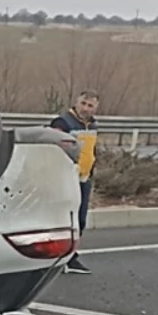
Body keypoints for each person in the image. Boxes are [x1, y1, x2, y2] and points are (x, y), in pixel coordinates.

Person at [50, 90, 99, 273]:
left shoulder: (92, 126)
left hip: (84, 178)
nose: (85, 108)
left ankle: (70, 256)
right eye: (83, 103)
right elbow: (54, 148)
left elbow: (91, 151)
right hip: (66, 177)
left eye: (90, 105)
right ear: (76, 103)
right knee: (63, 219)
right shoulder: (62, 122)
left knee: (80, 220)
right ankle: (60, 257)